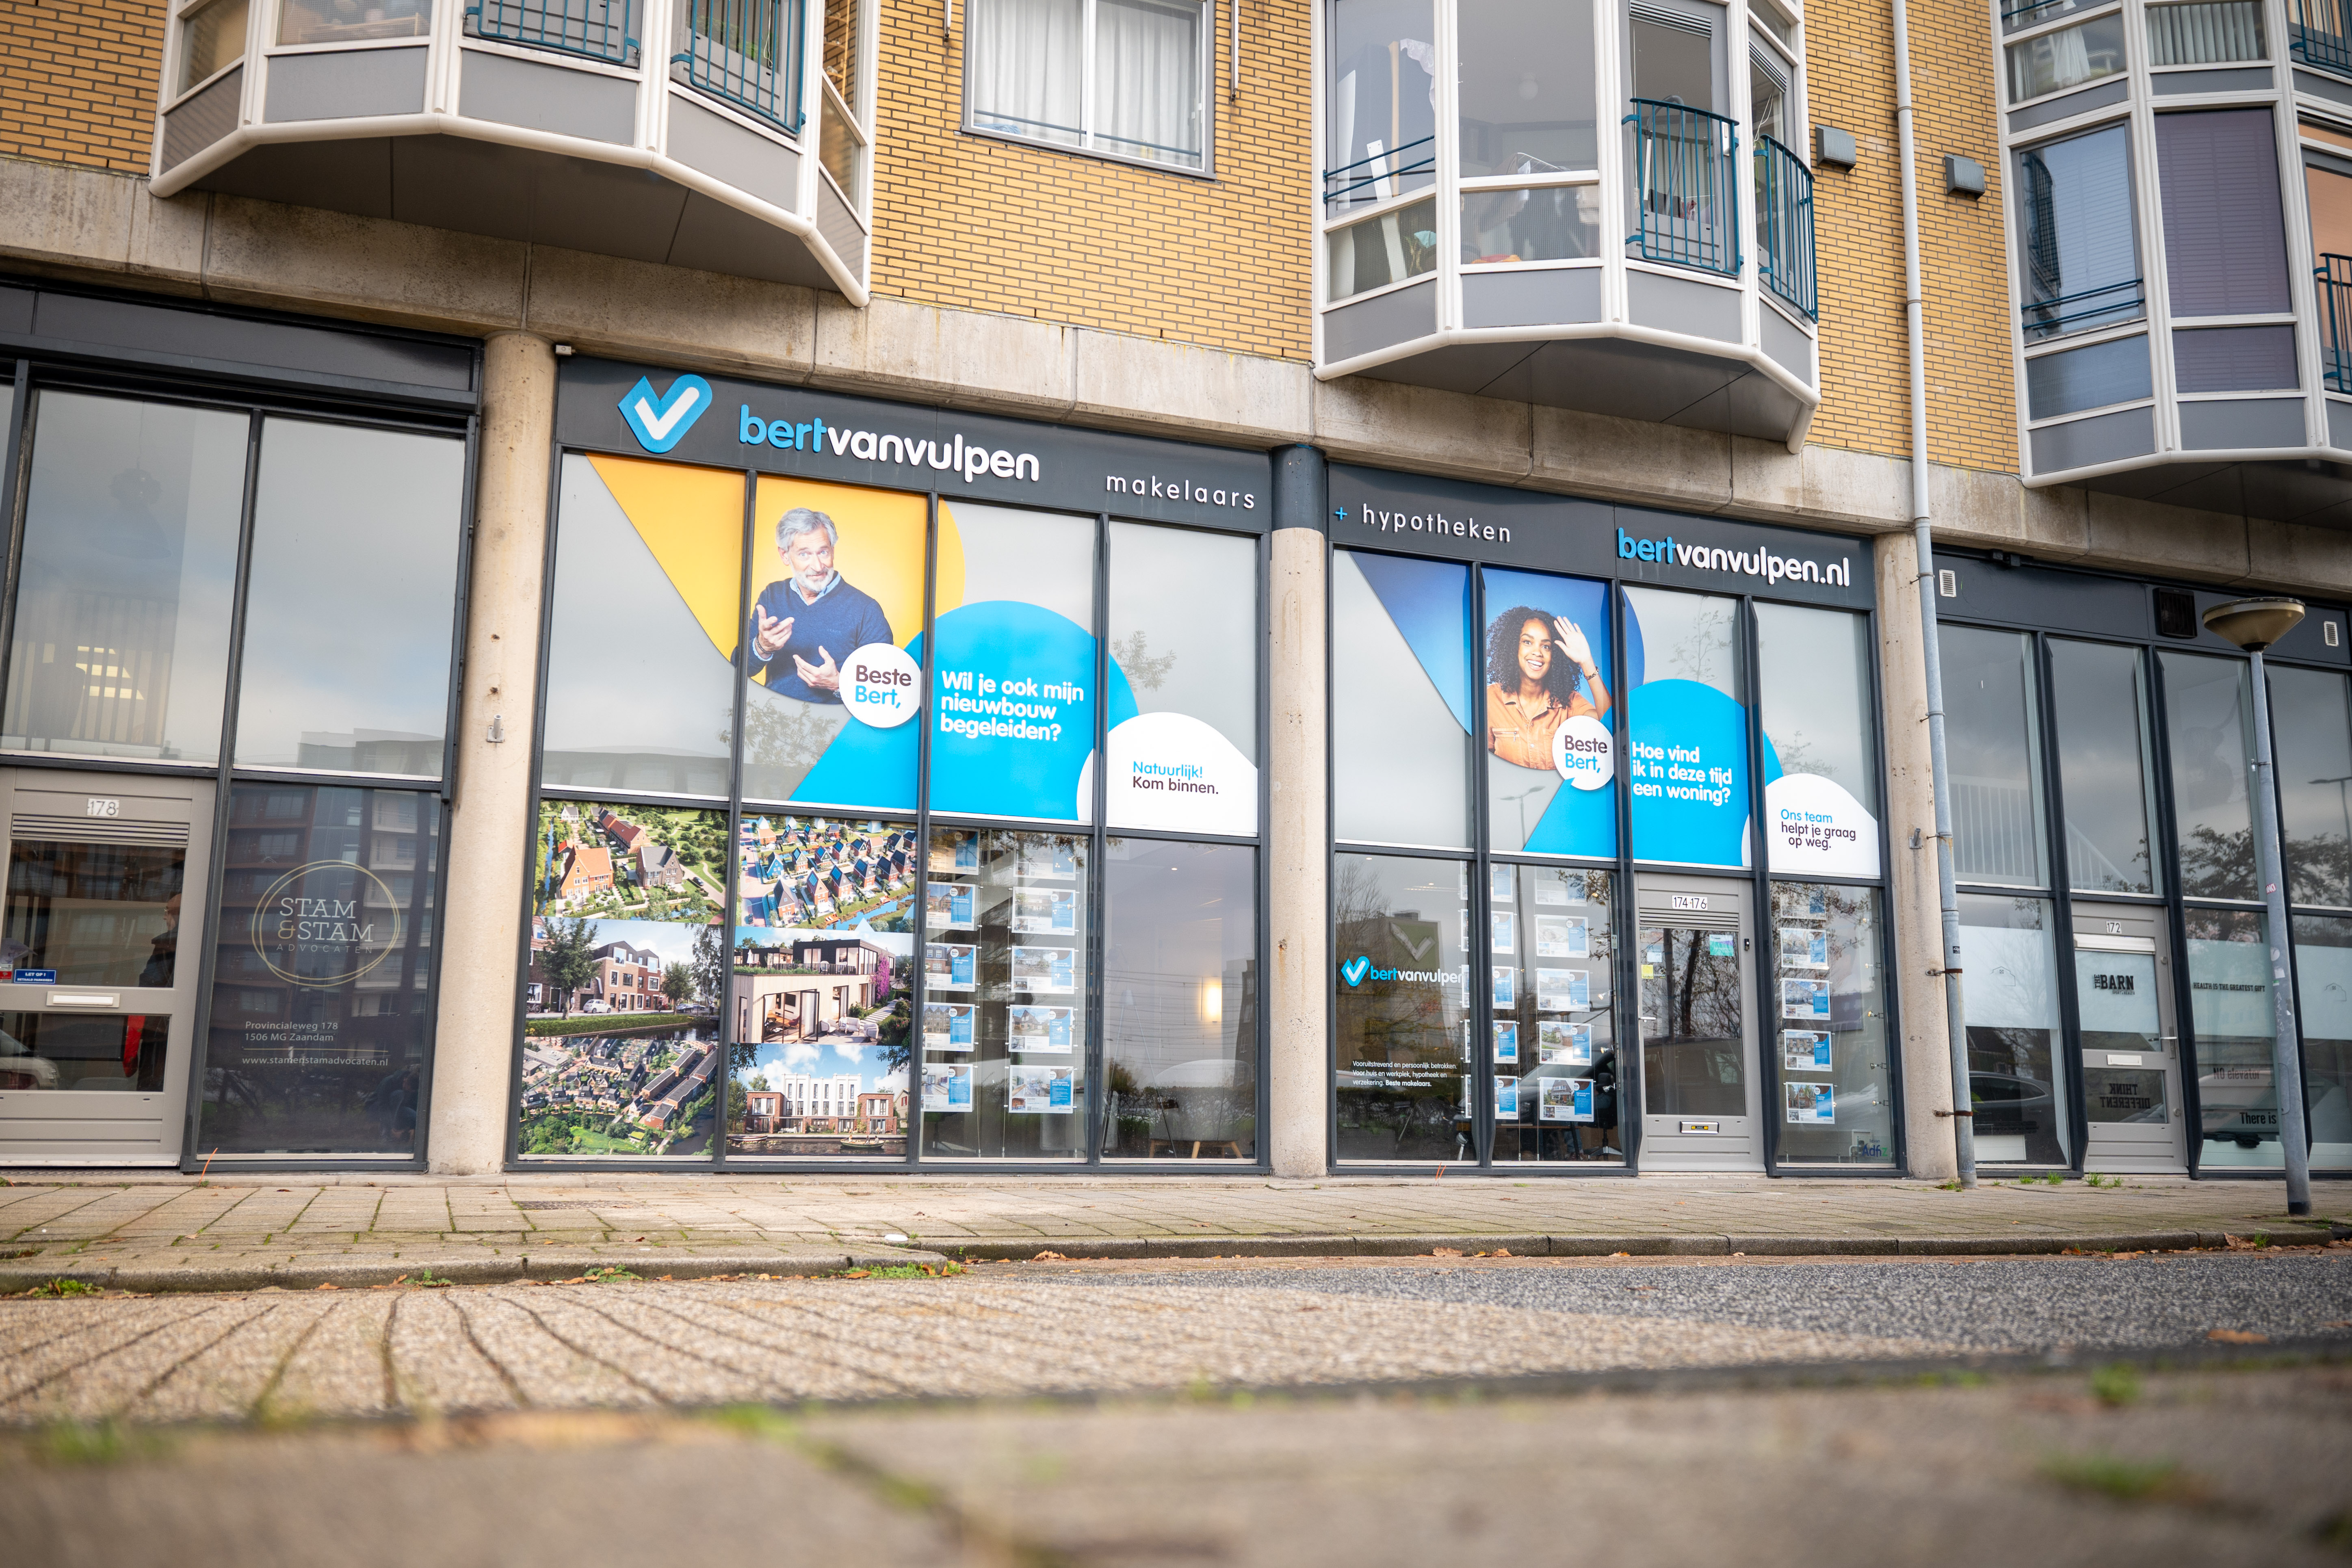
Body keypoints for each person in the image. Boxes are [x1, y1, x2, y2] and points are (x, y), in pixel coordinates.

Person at [738, 508, 893, 702]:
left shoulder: (866, 610)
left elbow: (886, 691)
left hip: (835, 722)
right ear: (785, 555)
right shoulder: (773, 595)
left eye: (823, 552)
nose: (818, 566)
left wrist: (838, 684)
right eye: (804, 554)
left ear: (833, 550)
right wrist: (763, 647)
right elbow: (738, 668)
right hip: (774, 716)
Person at [1484, 605, 1611, 769]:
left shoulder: (1569, 702)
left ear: (1554, 656)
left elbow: (1610, 726)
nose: (1537, 652)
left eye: (1546, 646)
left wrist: (1587, 662)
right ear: (1514, 647)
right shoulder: (1491, 700)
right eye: (1528, 642)